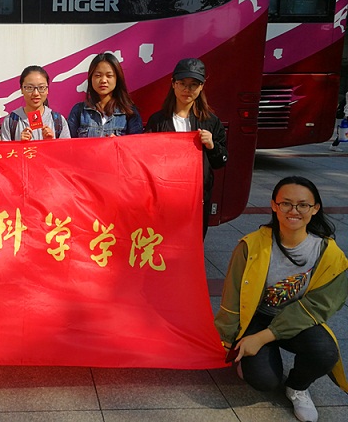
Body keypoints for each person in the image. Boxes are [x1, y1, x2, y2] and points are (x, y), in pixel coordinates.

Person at [214, 176, 348, 422]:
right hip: (256, 318)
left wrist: (263, 338)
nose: (293, 211)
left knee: (325, 352)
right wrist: (226, 341)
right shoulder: (251, 246)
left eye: (303, 205)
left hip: (297, 320)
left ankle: (297, 387)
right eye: (286, 203)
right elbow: (232, 298)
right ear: (274, 205)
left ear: (315, 208)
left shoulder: (329, 254)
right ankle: (252, 358)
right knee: (264, 381)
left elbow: (317, 307)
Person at [145, 58, 227, 238]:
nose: (187, 89)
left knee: (193, 242)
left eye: (193, 85)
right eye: (182, 83)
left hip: (197, 198)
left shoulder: (210, 122)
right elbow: (145, 156)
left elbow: (221, 161)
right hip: (165, 197)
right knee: (164, 241)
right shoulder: (158, 121)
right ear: (173, 84)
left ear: (202, 87)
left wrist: (212, 145)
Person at [67, 52, 143, 137]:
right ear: (91, 78)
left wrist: (118, 142)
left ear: (117, 79)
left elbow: (136, 143)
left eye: (109, 76)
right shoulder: (79, 111)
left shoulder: (129, 112)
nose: (103, 80)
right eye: (98, 75)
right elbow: (69, 143)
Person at [1, 65, 71, 141]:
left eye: (41, 87)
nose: (36, 93)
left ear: (47, 89)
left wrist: (51, 142)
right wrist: (20, 144)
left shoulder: (58, 121)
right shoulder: (10, 121)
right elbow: (5, 148)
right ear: (22, 89)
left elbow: (67, 148)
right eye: (30, 88)